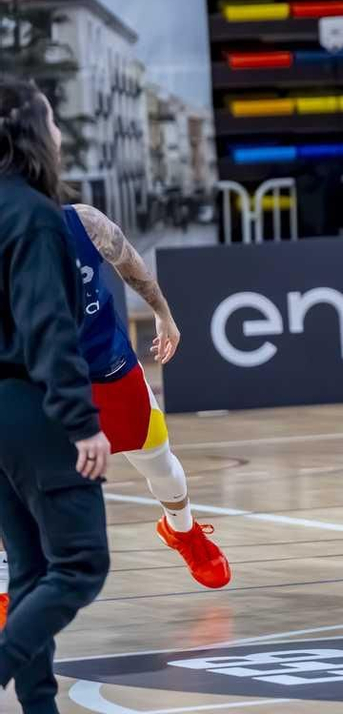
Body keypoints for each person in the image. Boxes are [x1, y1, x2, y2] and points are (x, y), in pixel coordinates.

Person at [0, 78, 111, 714]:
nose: (61, 133)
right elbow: (48, 326)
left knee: (30, 571)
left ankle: (39, 707)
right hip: (33, 410)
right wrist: (81, 420)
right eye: (52, 118)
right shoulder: (35, 218)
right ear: (32, 132)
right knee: (81, 564)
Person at [62, 203, 229, 588]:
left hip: (108, 367)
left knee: (159, 464)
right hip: (34, 379)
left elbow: (126, 257)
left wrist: (162, 311)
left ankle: (181, 530)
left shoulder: (82, 221)